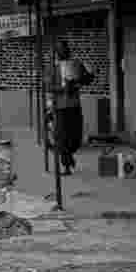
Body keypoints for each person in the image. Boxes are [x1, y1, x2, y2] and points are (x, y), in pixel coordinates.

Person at [53, 42, 93, 175]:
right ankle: (66, 166)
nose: (63, 53)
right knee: (62, 137)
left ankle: (70, 156)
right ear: (57, 53)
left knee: (75, 137)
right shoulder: (53, 68)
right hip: (60, 107)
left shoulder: (76, 64)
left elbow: (87, 79)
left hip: (75, 105)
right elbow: (48, 85)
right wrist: (63, 89)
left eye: (65, 50)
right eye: (60, 51)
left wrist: (82, 79)